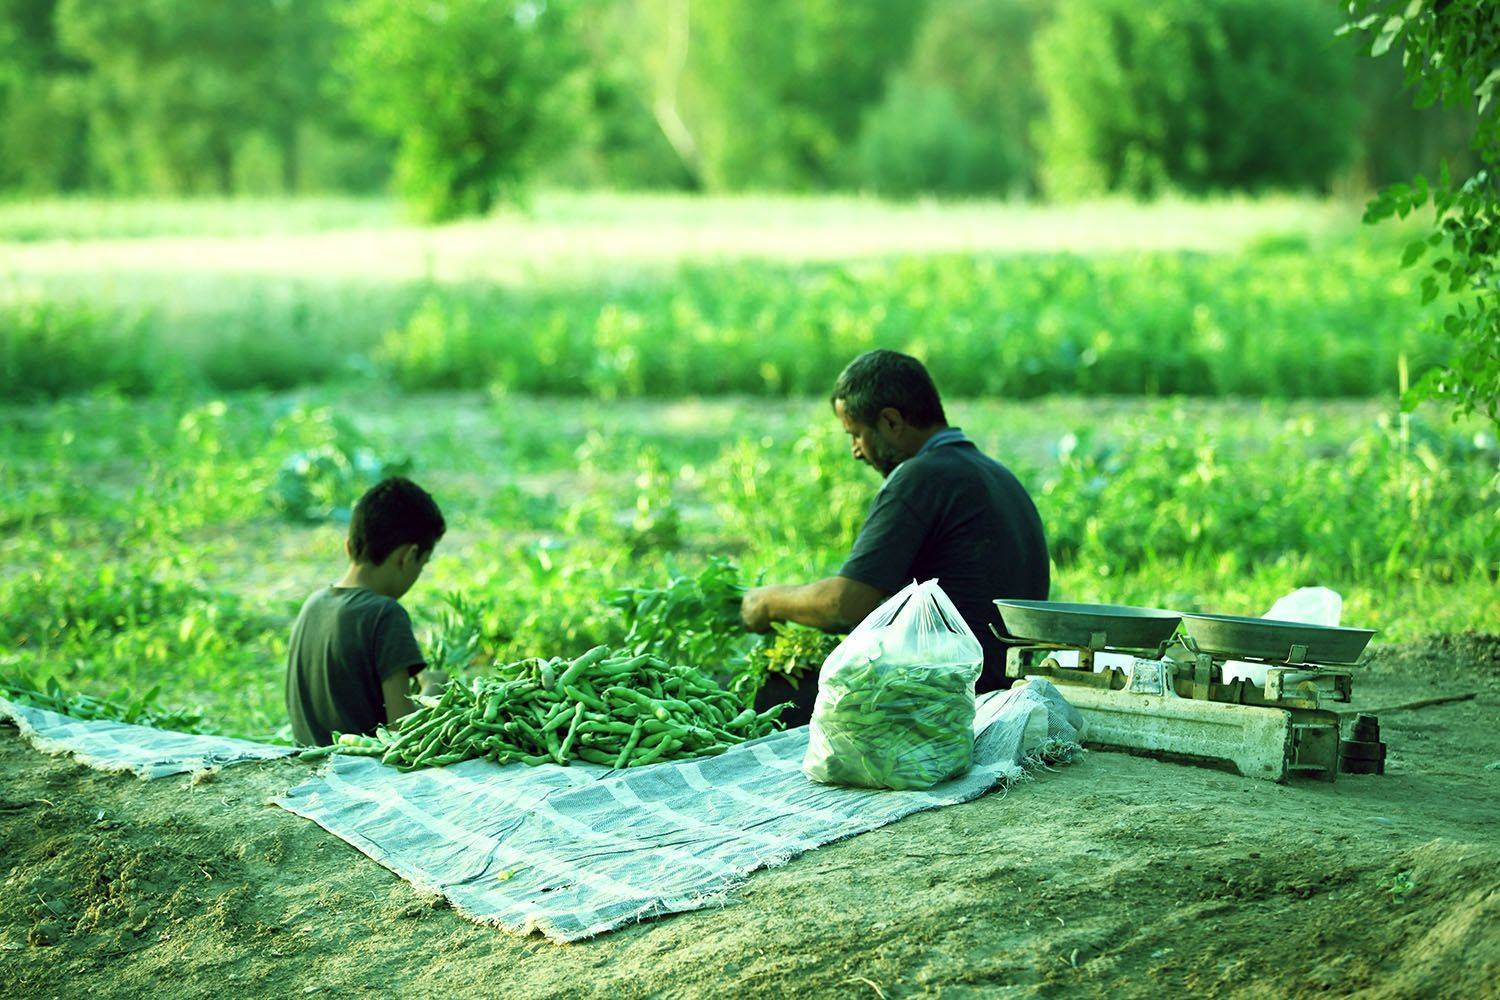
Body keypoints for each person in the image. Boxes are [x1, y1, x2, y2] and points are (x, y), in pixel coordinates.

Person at [740, 349, 1049, 725]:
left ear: (890, 421)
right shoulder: (997, 475)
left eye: (856, 434)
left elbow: (846, 604)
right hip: (1002, 678)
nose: (856, 451)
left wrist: (768, 602)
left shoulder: (920, 477)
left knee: (771, 692)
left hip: (952, 689)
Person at [285, 476, 448, 746]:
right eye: (423, 563)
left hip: (307, 763)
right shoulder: (385, 614)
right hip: (361, 768)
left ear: (349, 546)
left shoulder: (312, 605)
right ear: (408, 556)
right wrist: (433, 690)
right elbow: (402, 732)